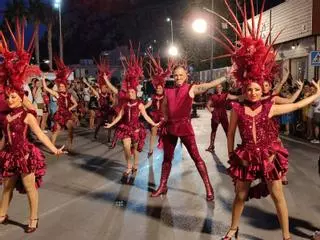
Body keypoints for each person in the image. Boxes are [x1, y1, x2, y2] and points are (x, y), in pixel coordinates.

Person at [206, 1, 320, 239]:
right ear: (245, 89)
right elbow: (230, 134)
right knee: (239, 195)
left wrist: (316, 94)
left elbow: (296, 104)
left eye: (257, 89)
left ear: (261, 90)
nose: (253, 93)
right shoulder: (237, 107)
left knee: (278, 195)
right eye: (250, 89)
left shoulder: (269, 106)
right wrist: (230, 155)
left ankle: (286, 236)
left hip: (269, 155)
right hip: (246, 156)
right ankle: (233, 229)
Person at [0, 18, 65, 233]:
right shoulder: (5, 117)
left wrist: (54, 148)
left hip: (25, 155)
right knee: (7, 185)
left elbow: (40, 134)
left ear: (20, 98)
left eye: (14, 98)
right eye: (8, 98)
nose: (10, 100)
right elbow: (4, 138)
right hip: (10, 154)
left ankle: (33, 218)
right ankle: (2, 214)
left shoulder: (27, 115)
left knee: (29, 188)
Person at [151, 65, 226, 201]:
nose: (178, 77)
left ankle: (208, 188)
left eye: (181, 75)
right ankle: (163, 186)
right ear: (173, 77)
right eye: (176, 75)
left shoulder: (191, 88)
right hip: (170, 128)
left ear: (186, 76)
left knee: (196, 158)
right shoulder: (168, 91)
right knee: (166, 159)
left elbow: (208, 85)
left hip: (185, 127)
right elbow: (164, 107)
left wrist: (225, 77)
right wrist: (163, 120)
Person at [105, 48, 159, 178]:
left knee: (135, 149)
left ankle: (135, 164)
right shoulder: (124, 103)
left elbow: (145, 116)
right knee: (126, 147)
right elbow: (119, 116)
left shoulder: (139, 104)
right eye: (129, 92)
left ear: (136, 92)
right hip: (125, 128)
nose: (130, 93)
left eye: (132, 92)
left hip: (135, 128)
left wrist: (154, 123)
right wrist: (111, 124)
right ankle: (128, 166)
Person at [42, 58, 78, 149]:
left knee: (71, 130)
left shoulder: (69, 95)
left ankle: (69, 147)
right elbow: (46, 89)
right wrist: (43, 79)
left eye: (62, 86)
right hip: (60, 114)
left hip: (67, 114)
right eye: (60, 86)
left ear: (65, 87)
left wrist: (69, 109)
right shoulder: (57, 94)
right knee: (56, 131)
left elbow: (76, 104)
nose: (61, 88)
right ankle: (52, 146)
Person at [144, 54, 172, 158]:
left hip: (164, 117)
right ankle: (151, 150)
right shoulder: (153, 96)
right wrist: (142, 108)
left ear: (163, 88)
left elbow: (170, 105)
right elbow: (149, 103)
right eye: (157, 88)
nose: (158, 89)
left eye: (160, 88)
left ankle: (167, 151)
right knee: (153, 132)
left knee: (166, 134)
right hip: (155, 117)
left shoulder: (166, 95)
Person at [206, 83, 229, 153]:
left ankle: (231, 146)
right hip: (215, 115)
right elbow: (207, 105)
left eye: (220, 87)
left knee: (227, 131)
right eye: (217, 87)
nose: (219, 88)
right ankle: (211, 146)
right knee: (213, 131)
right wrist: (211, 111)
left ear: (222, 88)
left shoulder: (225, 95)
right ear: (216, 89)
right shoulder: (213, 96)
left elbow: (233, 97)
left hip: (223, 115)